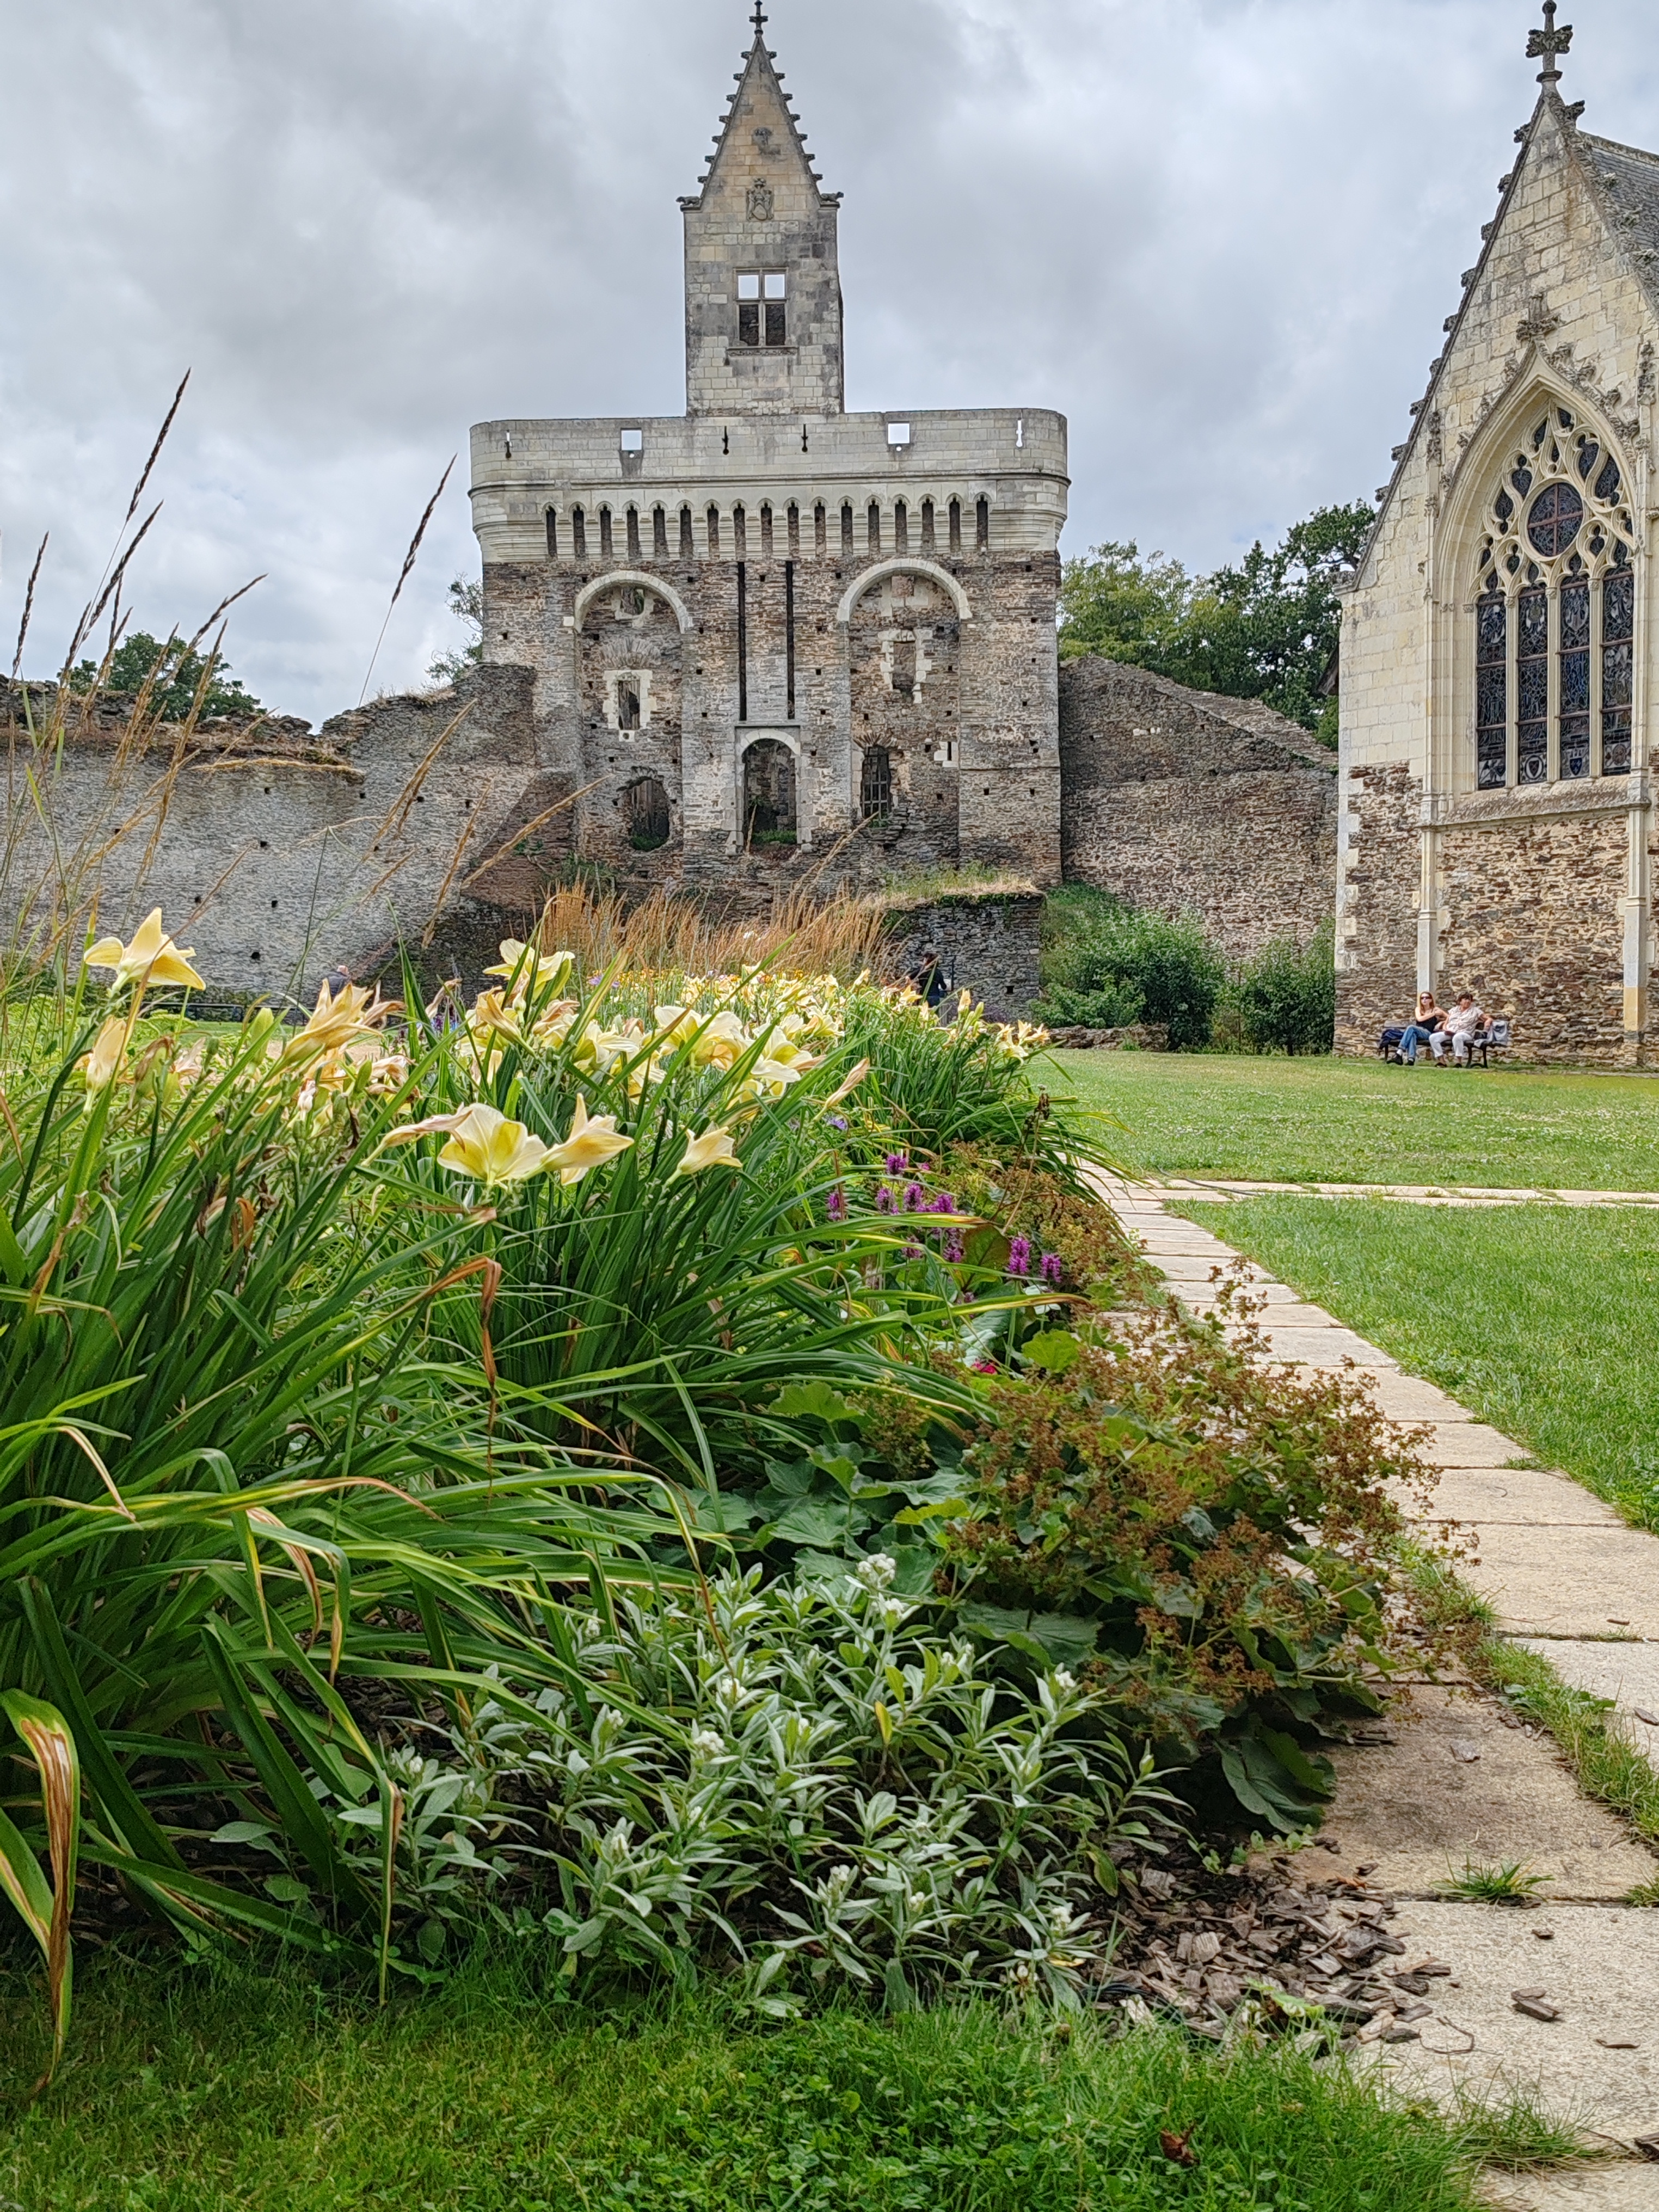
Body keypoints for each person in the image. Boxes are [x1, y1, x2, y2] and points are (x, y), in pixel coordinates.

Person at [1441, 991, 1489, 1066]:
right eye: (1465, 999)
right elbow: (1445, 1024)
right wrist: (1445, 1029)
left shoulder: (1475, 1011)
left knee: (1458, 1037)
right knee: (1433, 1037)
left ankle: (1459, 1062)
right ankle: (1442, 1062)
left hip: (1466, 1034)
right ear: (1460, 1002)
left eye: (1469, 1000)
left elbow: (1487, 1019)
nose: (1468, 1001)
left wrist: (1488, 1023)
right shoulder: (1454, 1010)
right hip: (1450, 1033)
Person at [1398, 991, 1445, 1066]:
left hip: (1428, 1033)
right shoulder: (1418, 1009)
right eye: (1422, 998)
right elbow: (1419, 1019)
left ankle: (1399, 1052)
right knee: (1413, 1034)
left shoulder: (1435, 1009)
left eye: (1427, 998)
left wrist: (1442, 1022)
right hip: (1417, 1032)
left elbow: (1449, 1017)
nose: (1424, 1000)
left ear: (1431, 1000)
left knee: (1411, 1028)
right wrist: (1433, 1014)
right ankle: (1411, 1059)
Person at [911, 944, 948, 1009]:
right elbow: (944, 987)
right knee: (933, 1015)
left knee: (923, 1014)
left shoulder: (921, 971)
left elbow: (908, 978)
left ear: (926, 961)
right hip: (934, 998)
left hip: (923, 997)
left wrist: (914, 986)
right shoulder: (938, 972)